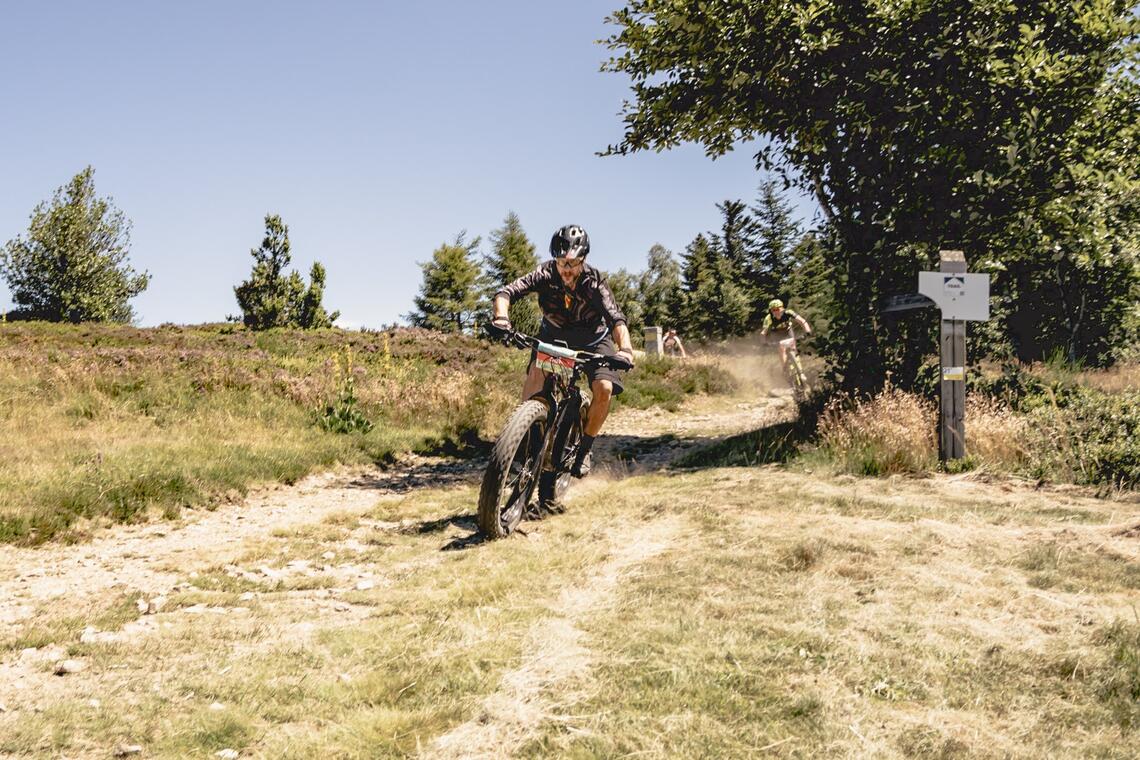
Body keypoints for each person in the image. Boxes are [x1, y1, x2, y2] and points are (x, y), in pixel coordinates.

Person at [490, 224, 634, 481]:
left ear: (583, 260)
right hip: (555, 335)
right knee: (535, 378)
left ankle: (585, 449)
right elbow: (506, 292)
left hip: (593, 338)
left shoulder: (594, 282)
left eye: (573, 264)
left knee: (604, 388)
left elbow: (616, 319)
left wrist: (625, 349)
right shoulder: (544, 273)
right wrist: (501, 318)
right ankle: (525, 441)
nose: (567, 270)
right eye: (561, 263)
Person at [760, 298, 812, 370]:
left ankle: (800, 371)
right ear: (770, 311)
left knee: (794, 348)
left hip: (788, 332)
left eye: (777, 309)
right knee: (782, 349)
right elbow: (763, 333)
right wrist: (764, 343)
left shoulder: (788, 312)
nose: (776, 312)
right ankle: (785, 369)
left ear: (782, 308)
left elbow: (801, 321)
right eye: (773, 310)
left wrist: (808, 331)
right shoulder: (769, 318)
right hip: (776, 334)